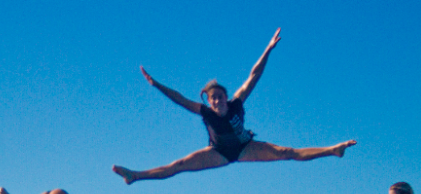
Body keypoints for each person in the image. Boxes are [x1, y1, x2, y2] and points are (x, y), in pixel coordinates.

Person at [112, 28, 356, 184]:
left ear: (226, 98)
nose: (217, 101)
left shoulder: (237, 102)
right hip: (217, 153)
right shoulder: (205, 111)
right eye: (213, 98)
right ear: (209, 102)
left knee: (285, 153)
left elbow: (254, 75)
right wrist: (156, 85)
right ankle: (136, 175)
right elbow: (179, 99)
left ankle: (333, 150)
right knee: (179, 166)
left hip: (245, 147)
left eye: (220, 97)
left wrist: (268, 49)